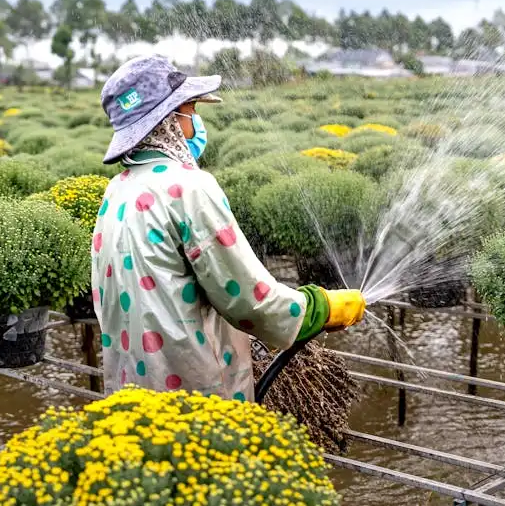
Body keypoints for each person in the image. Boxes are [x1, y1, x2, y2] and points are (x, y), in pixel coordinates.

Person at [92, 54, 366, 400]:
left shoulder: (118, 189)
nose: (196, 120)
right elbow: (248, 299)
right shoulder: (188, 187)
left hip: (133, 389)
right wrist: (319, 307)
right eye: (190, 109)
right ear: (169, 120)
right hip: (192, 390)